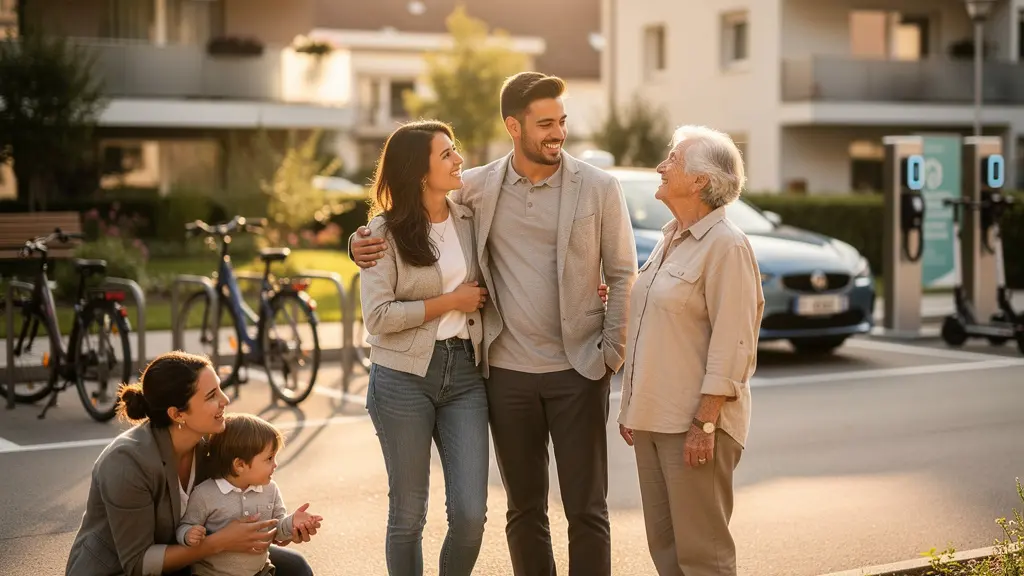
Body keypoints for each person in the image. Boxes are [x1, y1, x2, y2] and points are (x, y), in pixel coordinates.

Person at [351, 72, 637, 576]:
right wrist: (356, 244)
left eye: (562, 122)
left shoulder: (599, 188)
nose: (558, 133)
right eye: (545, 123)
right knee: (523, 511)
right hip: (503, 373)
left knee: (587, 511)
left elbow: (621, 273)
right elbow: (407, 217)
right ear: (514, 125)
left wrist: (611, 350)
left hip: (578, 370)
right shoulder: (477, 187)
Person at [616, 125, 764, 576]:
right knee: (666, 552)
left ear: (701, 180)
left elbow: (734, 340)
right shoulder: (669, 239)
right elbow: (653, 323)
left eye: (673, 160)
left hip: (696, 426)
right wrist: (630, 407)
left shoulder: (727, 246)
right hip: (652, 421)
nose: (661, 166)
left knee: (703, 557)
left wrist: (705, 421)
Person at [358, 120, 490, 576]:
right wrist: (450, 302)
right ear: (419, 171)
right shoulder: (381, 233)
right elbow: (378, 318)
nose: (459, 161)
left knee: (472, 514)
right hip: (401, 379)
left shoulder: (470, 215)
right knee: (408, 515)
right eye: (447, 154)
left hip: (466, 374)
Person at [65, 351, 320, 576]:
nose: (225, 400)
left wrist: (283, 530)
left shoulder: (212, 445)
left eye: (220, 388)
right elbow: (138, 564)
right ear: (177, 414)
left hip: (191, 557)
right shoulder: (126, 463)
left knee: (294, 567)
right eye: (211, 395)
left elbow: (242, 510)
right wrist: (218, 543)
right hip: (119, 569)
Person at [177, 413, 322, 576]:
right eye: (269, 458)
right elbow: (185, 525)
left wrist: (293, 523)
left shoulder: (270, 489)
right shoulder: (205, 494)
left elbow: (277, 529)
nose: (275, 464)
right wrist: (188, 534)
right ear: (239, 465)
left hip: (260, 571)